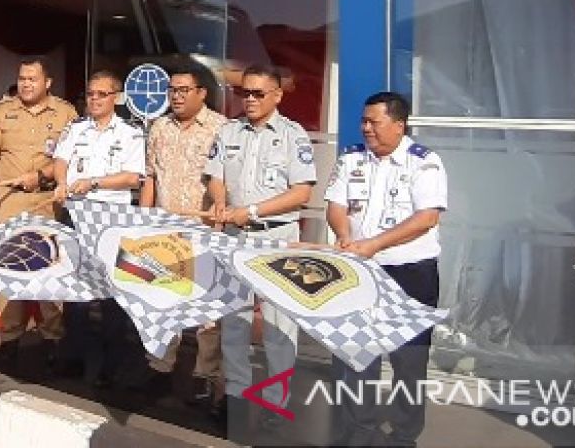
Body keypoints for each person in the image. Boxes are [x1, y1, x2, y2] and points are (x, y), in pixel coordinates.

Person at [326, 92, 447, 448]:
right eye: (363, 121)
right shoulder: (351, 158)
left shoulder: (424, 162)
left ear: (399, 124)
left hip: (410, 275)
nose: (366, 129)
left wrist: (374, 244)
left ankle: (403, 436)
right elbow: (335, 205)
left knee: (408, 363)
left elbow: (427, 218)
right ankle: (360, 431)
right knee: (357, 354)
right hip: (361, 272)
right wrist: (346, 235)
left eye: (374, 122)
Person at [204, 64, 317, 429]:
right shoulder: (229, 130)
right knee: (234, 321)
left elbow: (301, 192)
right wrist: (220, 203)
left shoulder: (292, 136)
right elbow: (215, 176)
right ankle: (236, 395)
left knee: (278, 326)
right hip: (235, 239)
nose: (249, 100)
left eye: (257, 94)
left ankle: (275, 403)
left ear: (277, 96)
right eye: (244, 93)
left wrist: (250, 210)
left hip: (275, 237)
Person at [0, 58, 78, 373]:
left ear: (47, 82)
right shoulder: (2, 112)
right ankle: (10, 341)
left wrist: (44, 174)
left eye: (33, 79)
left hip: (48, 202)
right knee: (9, 271)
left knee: (49, 271)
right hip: (9, 201)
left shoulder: (65, 114)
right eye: (22, 78)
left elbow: (72, 157)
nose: (26, 84)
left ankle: (53, 340)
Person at [140, 63, 229, 410]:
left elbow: (224, 181)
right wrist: (144, 223)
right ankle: (159, 368)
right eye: (172, 91)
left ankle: (205, 377)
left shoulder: (221, 129)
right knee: (163, 305)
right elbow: (150, 178)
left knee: (208, 312)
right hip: (163, 230)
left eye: (183, 90)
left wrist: (219, 221)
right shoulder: (159, 127)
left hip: (204, 229)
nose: (176, 97)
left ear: (201, 93)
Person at [51, 70, 146, 386]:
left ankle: (112, 362)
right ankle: (74, 354)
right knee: (75, 287)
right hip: (76, 215)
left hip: (110, 219)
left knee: (110, 293)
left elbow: (134, 177)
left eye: (101, 94)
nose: (94, 99)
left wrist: (93, 182)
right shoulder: (76, 129)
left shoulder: (130, 133)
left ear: (116, 97)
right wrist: (62, 182)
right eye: (90, 94)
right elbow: (60, 160)